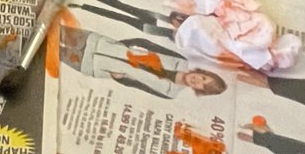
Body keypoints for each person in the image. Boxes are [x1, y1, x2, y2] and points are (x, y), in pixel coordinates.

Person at [59, 29, 226, 98]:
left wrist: (120, 79)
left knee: (52, 51)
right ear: (203, 73)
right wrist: (120, 44)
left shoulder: (170, 93)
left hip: (96, 65)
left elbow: (136, 85)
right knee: (56, 30)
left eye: (202, 86)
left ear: (198, 91)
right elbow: (146, 44)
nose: (197, 80)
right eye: (203, 78)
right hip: (100, 44)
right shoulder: (180, 61)